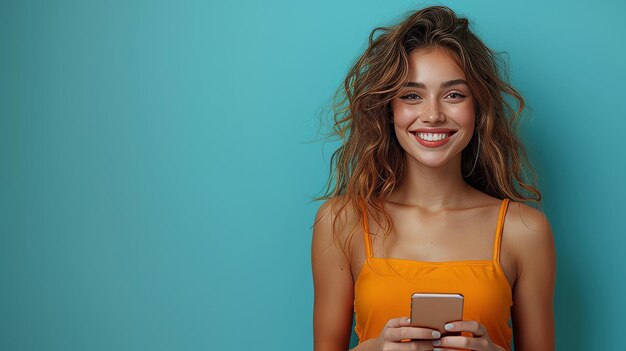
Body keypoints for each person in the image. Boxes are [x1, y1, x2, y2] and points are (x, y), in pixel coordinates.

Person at [311, 5, 556, 351]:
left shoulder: (524, 230)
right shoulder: (341, 222)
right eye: (412, 95)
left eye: (454, 94)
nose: (433, 115)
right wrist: (375, 348)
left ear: (478, 107)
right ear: (389, 108)